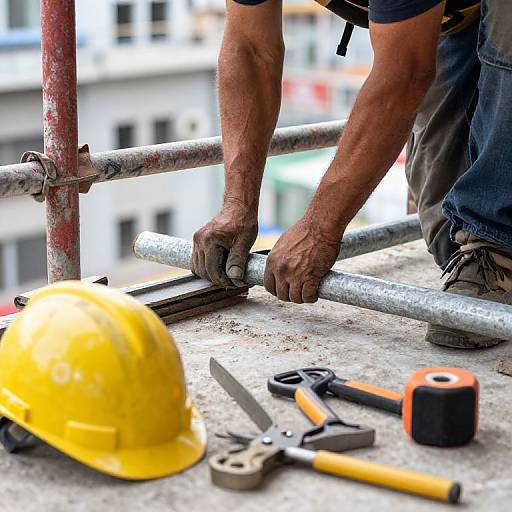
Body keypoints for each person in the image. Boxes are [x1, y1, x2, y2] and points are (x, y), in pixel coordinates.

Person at [192, 0, 512, 349]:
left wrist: (319, 228)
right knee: (451, 241)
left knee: (492, 240)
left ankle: (497, 248)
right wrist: (238, 205)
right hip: (453, 18)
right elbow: (251, 49)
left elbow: (403, 73)